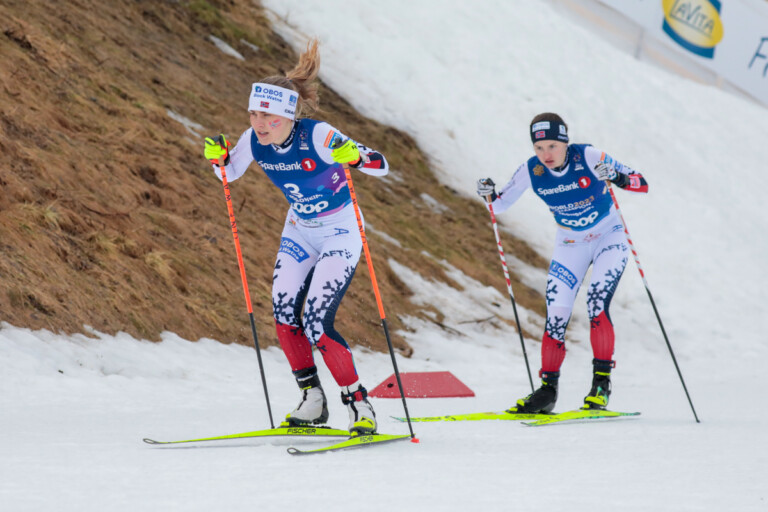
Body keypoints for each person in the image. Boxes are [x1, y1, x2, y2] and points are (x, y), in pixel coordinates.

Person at [203, 40, 388, 434]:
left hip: (340, 230)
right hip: (300, 230)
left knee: (317, 321)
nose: (260, 124)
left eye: (269, 117)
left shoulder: (318, 134)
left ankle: (359, 404)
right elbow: (228, 174)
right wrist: (218, 158)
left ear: (289, 116)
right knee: (285, 314)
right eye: (254, 114)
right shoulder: (253, 139)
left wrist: (353, 156)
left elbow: (381, 164)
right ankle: (312, 399)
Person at [476, 112, 648, 412]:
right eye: (539, 148)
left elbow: (641, 183)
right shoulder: (532, 170)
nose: (546, 155)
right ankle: (547, 390)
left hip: (609, 236)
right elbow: (500, 204)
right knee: (556, 314)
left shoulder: (589, 155)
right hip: (570, 243)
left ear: (565, 142)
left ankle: (600, 385)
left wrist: (617, 177)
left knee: (596, 303)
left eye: (553, 146)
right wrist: (488, 194)